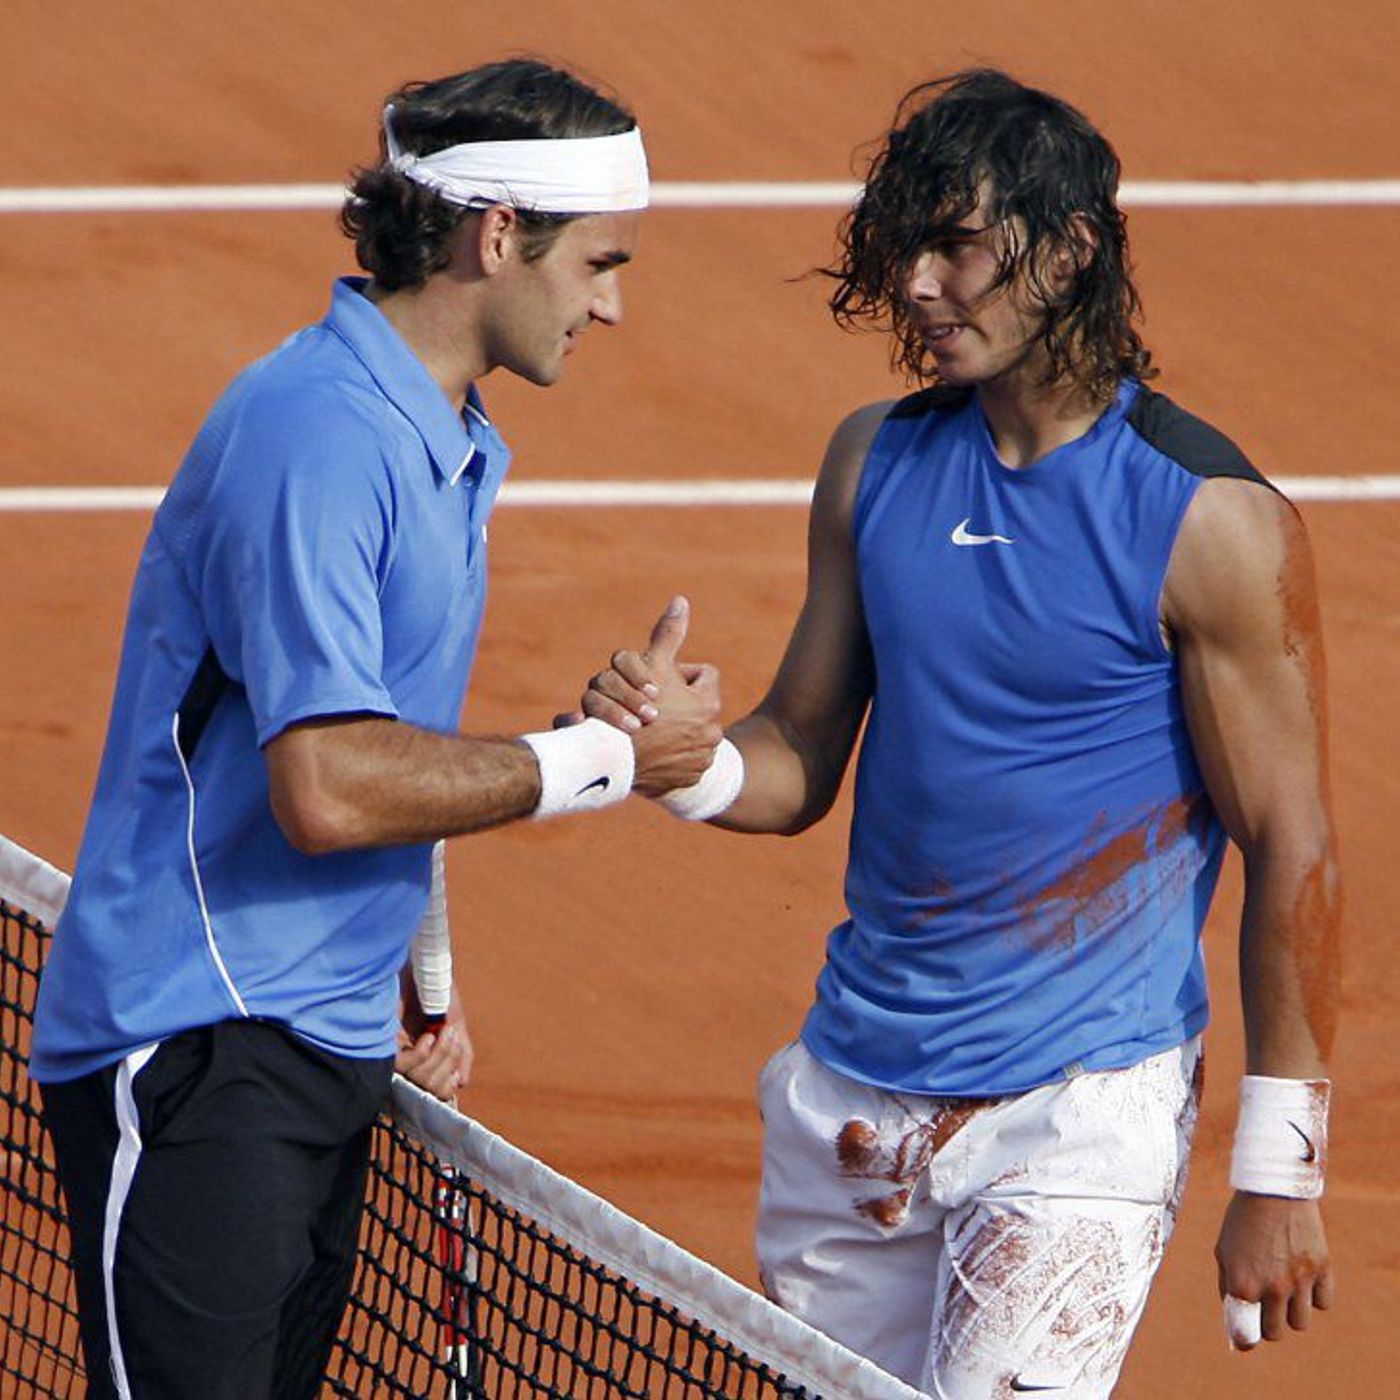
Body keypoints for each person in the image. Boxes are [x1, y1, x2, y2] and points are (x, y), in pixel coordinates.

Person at [584, 69, 1340, 1398]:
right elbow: (799, 750)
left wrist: (1281, 1169)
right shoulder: (873, 461)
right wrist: (686, 763)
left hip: (1076, 1109)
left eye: (956, 247)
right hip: (853, 1098)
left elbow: (1294, 845)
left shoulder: (1208, 522)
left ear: (1071, 248)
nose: (921, 286)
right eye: (906, 251)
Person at [31, 59, 720, 1400]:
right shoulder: (322, 436)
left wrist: (422, 977)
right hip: (201, 1043)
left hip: (321, 1048)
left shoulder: (442, 437)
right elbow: (330, 788)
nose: (612, 305)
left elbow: (392, 736)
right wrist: (608, 760)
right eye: (599, 264)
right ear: (499, 236)